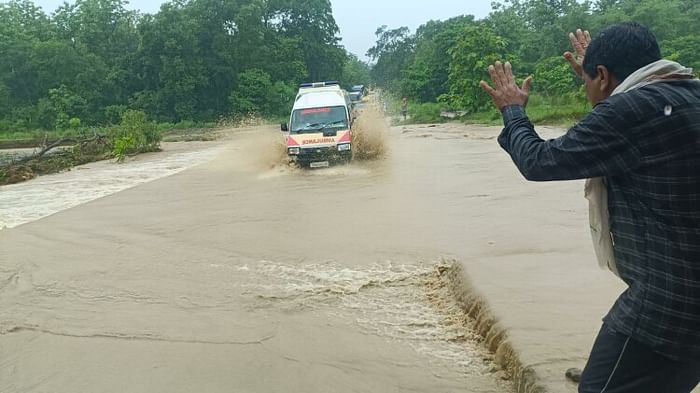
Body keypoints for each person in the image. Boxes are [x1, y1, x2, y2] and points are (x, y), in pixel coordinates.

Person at [480, 23, 700, 392]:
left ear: (602, 76)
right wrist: (601, 73)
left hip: (668, 309)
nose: (585, 90)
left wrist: (512, 111)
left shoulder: (630, 110)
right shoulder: (689, 93)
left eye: (587, 80)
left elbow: (539, 161)